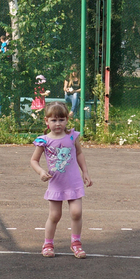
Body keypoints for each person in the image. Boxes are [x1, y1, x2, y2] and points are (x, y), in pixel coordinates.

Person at [30, 102, 92, 257]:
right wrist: (41, 172)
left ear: (67, 120)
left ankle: (76, 244)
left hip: (73, 182)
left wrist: (85, 172)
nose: (58, 123)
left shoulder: (72, 136)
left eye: (61, 120)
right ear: (46, 121)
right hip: (56, 184)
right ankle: (48, 244)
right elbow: (33, 161)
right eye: (54, 120)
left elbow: (79, 154)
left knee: (76, 213)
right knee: (55, 216)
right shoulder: (43, 140)